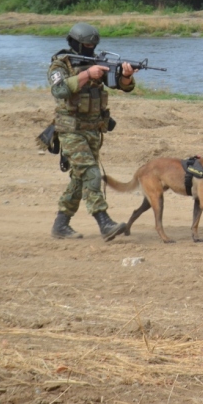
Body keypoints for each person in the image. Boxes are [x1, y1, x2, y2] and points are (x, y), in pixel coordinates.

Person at [48, 22, 135, 241]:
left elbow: (121, 85)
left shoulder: (97, 62)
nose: (90, 49)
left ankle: (60, 225)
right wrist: (87, 74)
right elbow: (59, 90)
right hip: (70, 130)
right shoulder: (60, 64)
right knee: (91, 173)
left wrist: (126, 76)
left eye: (93, 45)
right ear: (75, 43)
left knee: (80, 179)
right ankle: (104, 222)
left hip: (94, 130)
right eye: (86, 45)